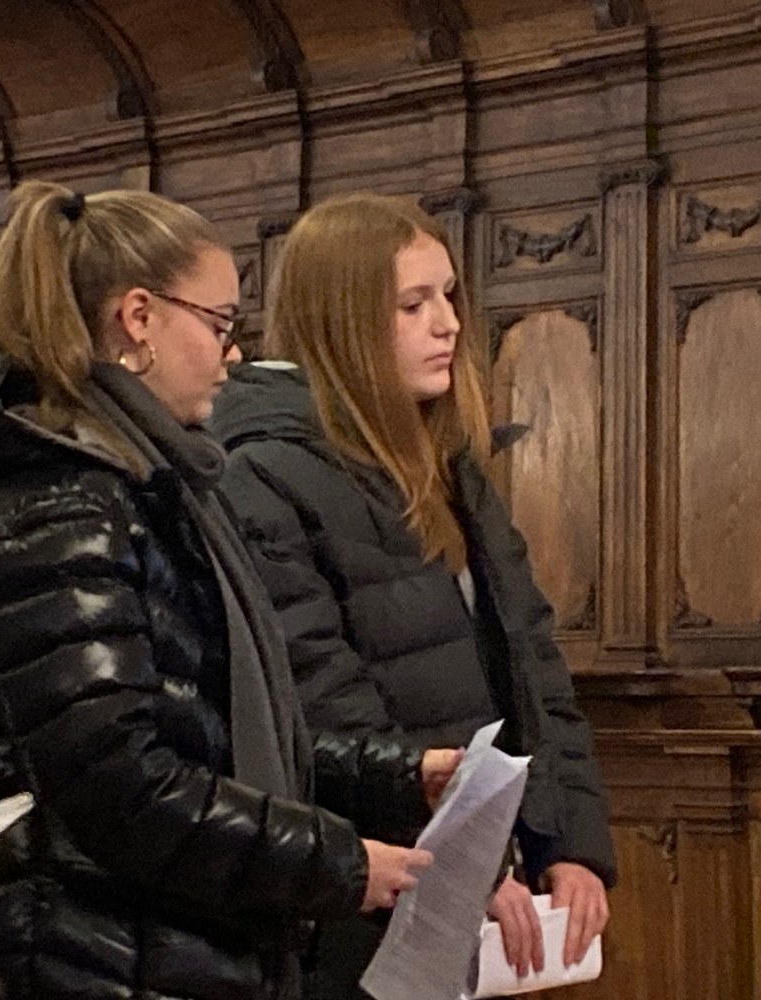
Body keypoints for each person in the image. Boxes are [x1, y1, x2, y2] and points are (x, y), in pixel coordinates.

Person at [0, 181, 450, 1000]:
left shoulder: (145, 489)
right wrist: (336, 862)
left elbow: (212, 729)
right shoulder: (65, 508)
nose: (232, 355)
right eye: (219, 324)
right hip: (97, 962)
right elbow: (117, 784)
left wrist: (397, 773)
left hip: (170, 952)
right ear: (138, 318)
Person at [209, 192, 617, 1000]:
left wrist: (567, 843)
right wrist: (455, 865)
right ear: (342, 321)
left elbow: (532, 673)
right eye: (412, 304)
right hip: (360, 893)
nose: (448, 324)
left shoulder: (448, 463)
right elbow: (321, 706)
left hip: (470, 872)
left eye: (449, 297)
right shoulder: (264, 473)